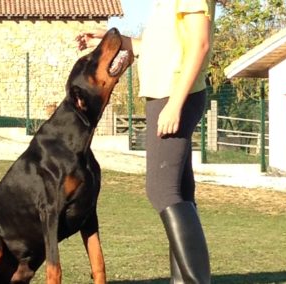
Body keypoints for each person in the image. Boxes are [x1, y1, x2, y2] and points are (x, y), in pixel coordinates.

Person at [76, 1, 218, 283]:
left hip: (173, 95)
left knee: (162, 191)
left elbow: (199, 46)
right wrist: (109, 41)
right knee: (179, 191)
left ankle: (194, 281)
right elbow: (155, 49)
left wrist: (175, 104)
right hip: (165, 95)